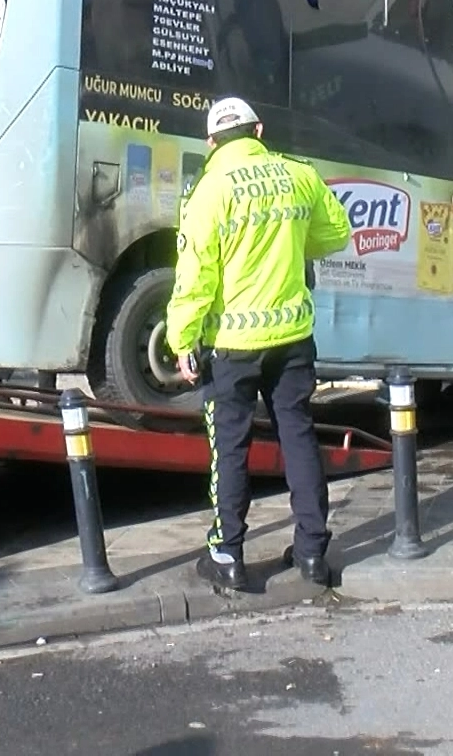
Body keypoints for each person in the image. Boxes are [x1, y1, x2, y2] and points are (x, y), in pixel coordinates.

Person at [166, 96, 352, 592]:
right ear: (259, 130)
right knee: (298, 435)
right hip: (292, 337)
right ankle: (313, 553)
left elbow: (195, 276)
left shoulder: (207, 192)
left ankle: (228, 556)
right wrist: (289, 240)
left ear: (211, 143)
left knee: (230, 447)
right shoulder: (298, 174)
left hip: (231, 345)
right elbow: (336, 233)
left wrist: (181, 337)